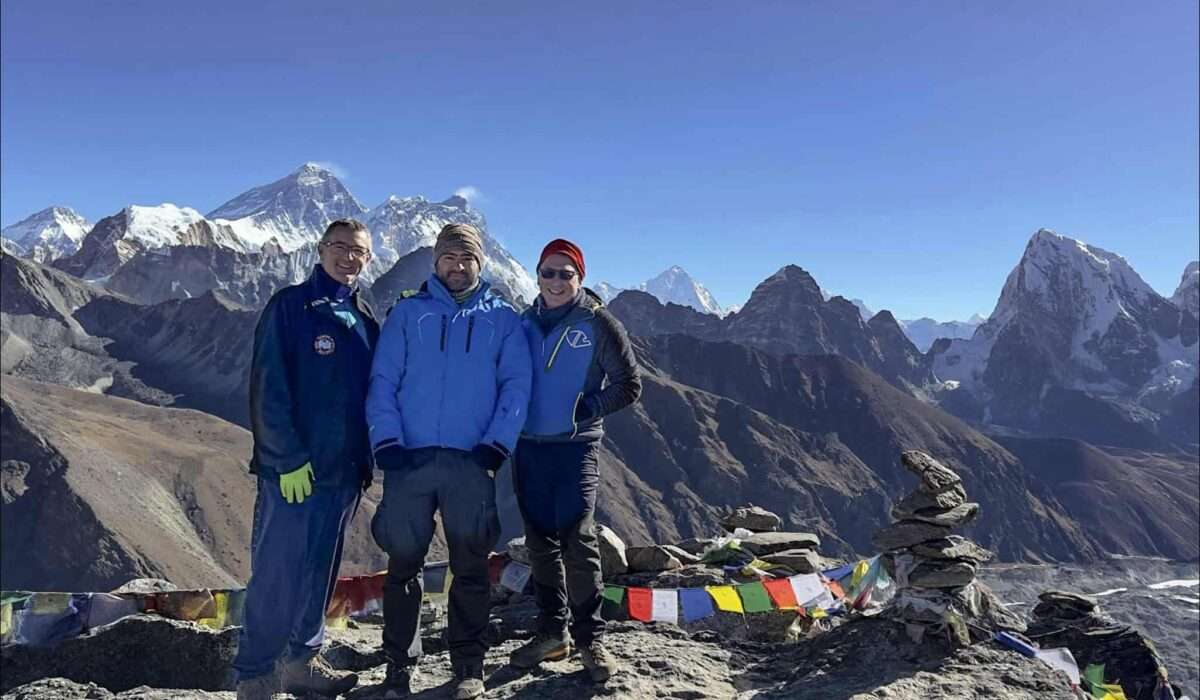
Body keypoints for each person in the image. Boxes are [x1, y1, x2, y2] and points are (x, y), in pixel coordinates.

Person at [366, 223, 532, 700]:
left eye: (467, 259)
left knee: (471, 566)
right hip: (409, 461)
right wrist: (387, 441)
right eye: (448, 259)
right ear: (435, 262)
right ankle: (398, 667)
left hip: (471, 463)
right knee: (402, 567)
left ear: (481, 263)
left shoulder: (504, 318)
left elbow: (516, 387)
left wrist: (496, 444)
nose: (457, 267)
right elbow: (382, 382)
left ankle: (468, 666)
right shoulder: (407, 314)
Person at [233, 219, 380, 700]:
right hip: (294, 472)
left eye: (358, 251)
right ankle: (255, 674)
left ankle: (302, 663)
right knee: (277, 571)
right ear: (320, 250)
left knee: (320, 570)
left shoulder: (366, 318)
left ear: (368, 258)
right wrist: (285, 457)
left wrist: (365, 462)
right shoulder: (290, 307)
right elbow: (267, 389)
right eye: (339, 247)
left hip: (343, 473)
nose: (348, 257)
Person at [508, 239, 641, 682]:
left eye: (567, 273)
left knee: (577, 537)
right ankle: (552, 634)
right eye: (549, 272)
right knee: (540, 541)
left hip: (575, 446)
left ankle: (590, 639)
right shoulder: (523, 323)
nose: (557, 281)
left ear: (580, 278)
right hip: (528, 447)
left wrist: (582, 410)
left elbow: (628, 385)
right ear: (537, 275)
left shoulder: (598, 323)